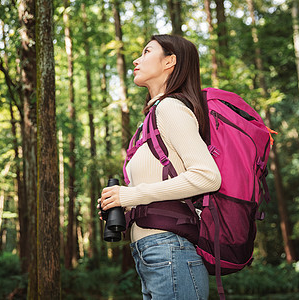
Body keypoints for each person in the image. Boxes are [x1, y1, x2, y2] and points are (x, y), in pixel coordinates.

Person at [99, 34, 221, 300]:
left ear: (170, 61)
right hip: (154, 253)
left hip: (170, 251)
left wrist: (130, 195)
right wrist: (121, 204)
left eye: (146, 51)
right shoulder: (151, 119)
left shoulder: (171, 108)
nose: (136, 59)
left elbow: (208, 177)